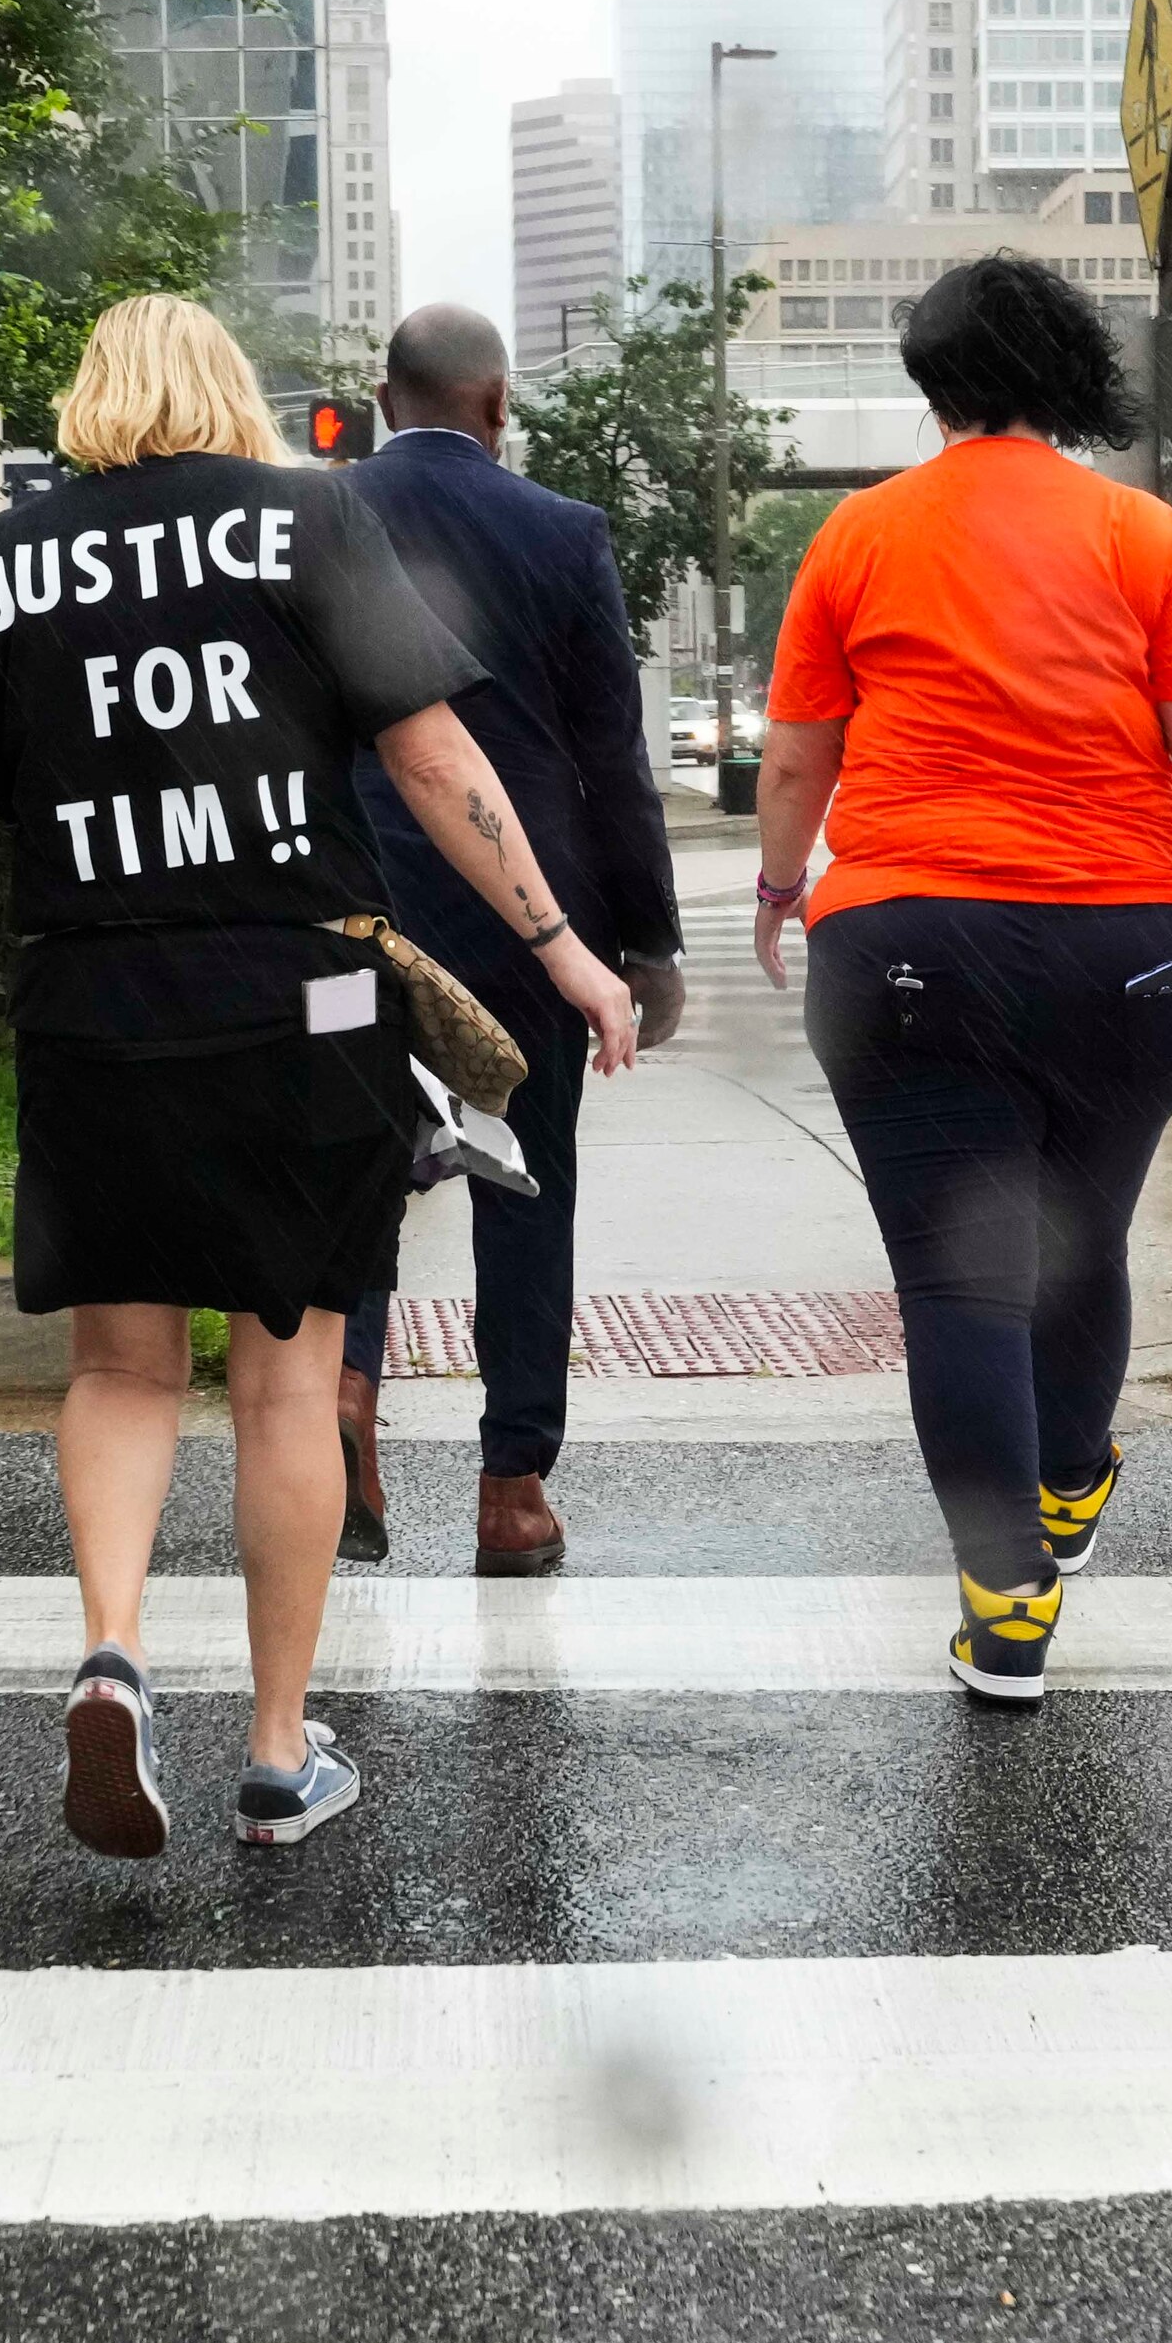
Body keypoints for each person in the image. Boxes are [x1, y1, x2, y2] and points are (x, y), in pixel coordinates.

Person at [0, 294, 637, 1857]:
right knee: (285, 1378)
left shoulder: (4, 563)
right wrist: (566, 950)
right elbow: (438, 760)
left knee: (119, 1368)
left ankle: (112, 1651)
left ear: (90, 395)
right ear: (229, 389)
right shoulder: (303, 525)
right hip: (295, 1006)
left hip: (92, 1006)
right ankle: (272, 1745)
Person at [751, 254, 1172, 1703]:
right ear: (1064, 374)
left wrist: (784, 890)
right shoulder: (1140, 532)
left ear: (934, 381)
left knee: (959, 1288)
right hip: (1127, 947)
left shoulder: (858, 534)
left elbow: (798, 756)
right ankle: (1070, 1481)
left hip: (907, 944)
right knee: (1081, 1246)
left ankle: (1007, 1604)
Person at [330, 303, 688, 1576]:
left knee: (355, 1177)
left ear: (383, 402)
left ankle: (349, 1396)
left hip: (353, 910)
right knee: (521, 1187)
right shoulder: (561, 534)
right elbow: (610, 758)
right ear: (497, 406)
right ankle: (511, 1491)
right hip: (519, 922)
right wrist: (642, 943)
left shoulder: (318, 521)